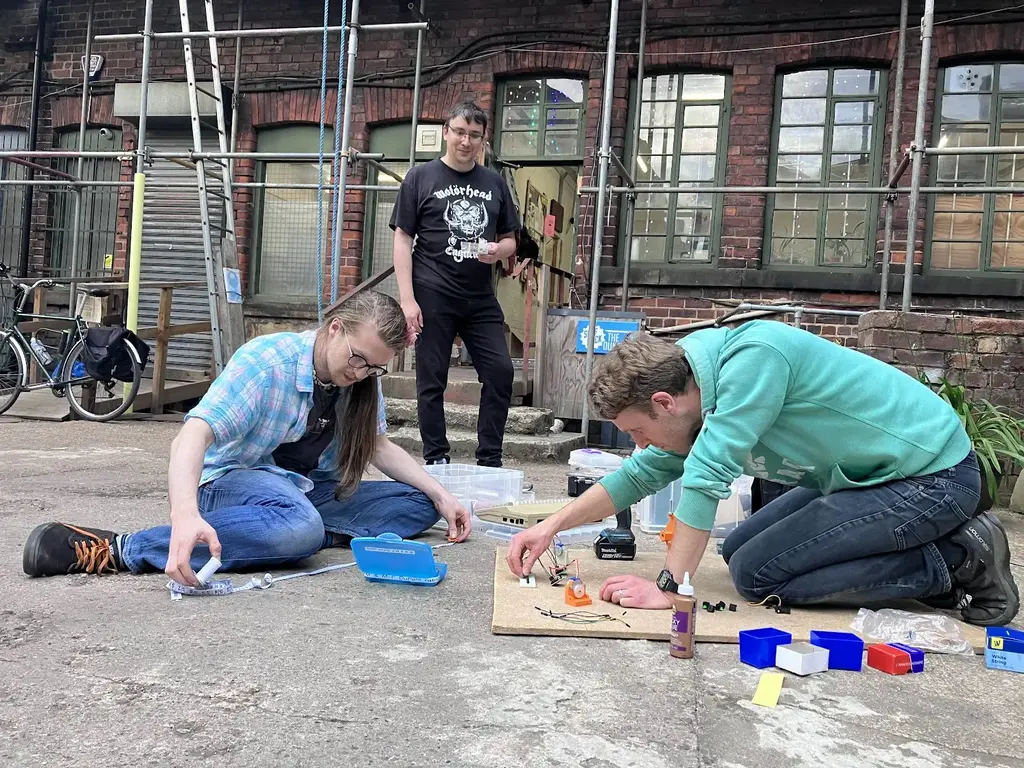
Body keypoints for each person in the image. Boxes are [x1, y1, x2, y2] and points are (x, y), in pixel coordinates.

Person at [506, 321, 1019, 627]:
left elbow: (706, 477)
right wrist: (550, 526)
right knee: (737, 551)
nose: (639, 445)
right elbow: (641, 474)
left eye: (639, 430)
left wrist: (671, 589)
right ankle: (937, 556)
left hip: (935, 480)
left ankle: (955, 560)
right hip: (872, 478)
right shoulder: (689, 393)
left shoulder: (753, 359)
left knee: (759, 575)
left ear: (664, 403)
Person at [23, 290, 472, 584]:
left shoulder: (361, 379)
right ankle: (121, 548)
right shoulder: (266, 362)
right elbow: (191, 436)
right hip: (234, 482)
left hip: (304, 494)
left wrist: (442, 494)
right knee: (300, 526)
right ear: (334, 328)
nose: (360, 374)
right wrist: (184, 515)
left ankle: (299, 534)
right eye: (358, 359)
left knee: (417, 503)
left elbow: (377, 447)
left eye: (373, 368)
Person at [391, 100, 522, 468]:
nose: (466, 141)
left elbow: (511, 240)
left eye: (474, 135)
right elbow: (402, 238)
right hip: (432, 292)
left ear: (483, 140)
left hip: (480, 298)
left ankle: (490, 460)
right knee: (431, 379)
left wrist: (498, 250)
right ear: (446, 132)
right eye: (460, 132)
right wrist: (407, 299)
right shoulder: (420, 177)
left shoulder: (494, 182)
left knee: (500, 372)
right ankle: (436, 458)